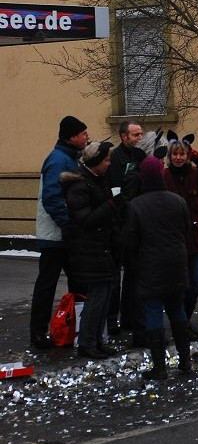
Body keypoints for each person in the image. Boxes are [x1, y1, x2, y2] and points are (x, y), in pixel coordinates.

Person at [126, 156, 192, 380]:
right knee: (177, 310)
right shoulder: (178, 201)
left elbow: (131, 241)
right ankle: (185, 361)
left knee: (154, 312)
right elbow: (186, 231)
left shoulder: (136, 206)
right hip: (176, 263)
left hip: (150, 265)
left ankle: (160, 367)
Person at [60, 141, 123, 359]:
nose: (108, 164)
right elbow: (85, 219)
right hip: (89, 250)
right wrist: (112, 205)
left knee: (104, 297)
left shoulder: (97, 180)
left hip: (102, 248)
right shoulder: (79, 185)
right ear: (95, 162)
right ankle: (87, 343)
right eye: (105, 160)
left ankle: (96, 340)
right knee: (96, 298)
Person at [30, 115, 89, 349]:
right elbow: (52, 199)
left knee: (77, 282)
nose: (87, 137)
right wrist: (68, 226)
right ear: (72, 136)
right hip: (56, 236)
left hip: (64, 234)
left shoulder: (68, 157)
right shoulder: (58, 160)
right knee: (48, 284)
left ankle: (77, 329)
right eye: (83, 133)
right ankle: (38, 332)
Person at [163, 134, 198, 333]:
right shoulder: (165, 176)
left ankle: (185, 318)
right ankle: (180, 324)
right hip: (176, 237)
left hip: (197, 237)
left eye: (182, 154)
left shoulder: (196, 173)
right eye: (175, 154)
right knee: (179, 284)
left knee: (195, 283)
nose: (178, 158)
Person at [107, 119, 145, 336]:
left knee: (134, 274)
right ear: (124, 137)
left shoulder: (140, 156)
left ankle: (129, 316)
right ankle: (112, 320)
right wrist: (124, 207)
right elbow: (114, 188)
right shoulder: (116, 158)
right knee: (114, 277)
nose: (139, 138)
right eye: (135, 135)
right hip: (120, 221)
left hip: (136, 223)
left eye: (140, 134)